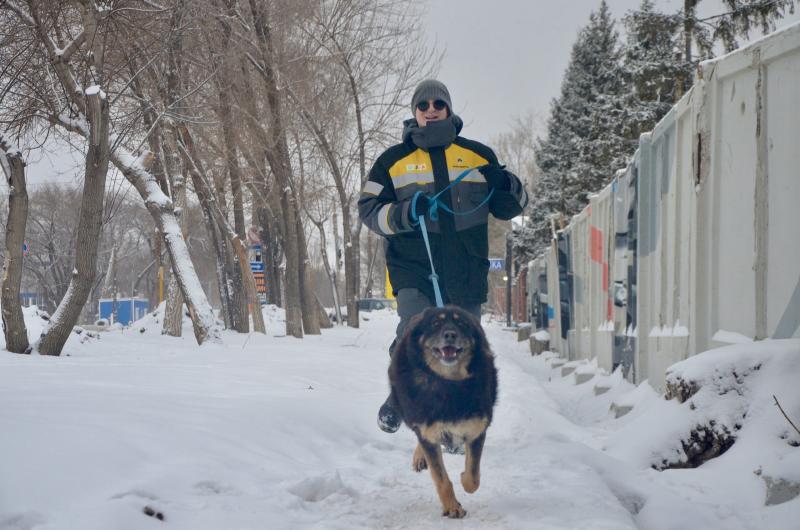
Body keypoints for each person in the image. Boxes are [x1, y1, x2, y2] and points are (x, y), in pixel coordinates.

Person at [358, 79, 528, 433]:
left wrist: (503, 182)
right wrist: (405, 212)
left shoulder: (479, 156)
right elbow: (369, 210)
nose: (431, 110)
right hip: (413, 268)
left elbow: (513, 208)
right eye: (423, 106)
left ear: (449, 109)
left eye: (438, 104)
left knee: (464, 347)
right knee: (413, 331)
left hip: (466, 270)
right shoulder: (392, 162)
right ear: (414, 113)